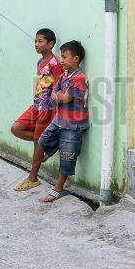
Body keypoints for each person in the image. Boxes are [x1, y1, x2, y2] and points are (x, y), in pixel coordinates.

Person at [11, 28, 63, 191]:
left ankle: (32, 178)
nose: (36, 44)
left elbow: (59, 88)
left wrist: (53, 111)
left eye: (40, 41)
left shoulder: (56, 64)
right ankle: (49, 145)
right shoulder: (40, 62)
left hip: (47, 109)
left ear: (50, 44)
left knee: (37, 142)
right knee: (16, 128)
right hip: (36, 105)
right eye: (35, 41)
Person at [38, 40, 89, 202]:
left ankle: (59, 188)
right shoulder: (64, 75)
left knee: (67, 157)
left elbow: (66, 98)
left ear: (76, 58)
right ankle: (53, 149)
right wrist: (59, 96)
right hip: (59, 120)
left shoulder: (79, 78)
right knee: (42, 140)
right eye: (61, 56)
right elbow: (54, 92)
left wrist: (59, 96)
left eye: (64, 57)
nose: (61, 59)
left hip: (73, 125)